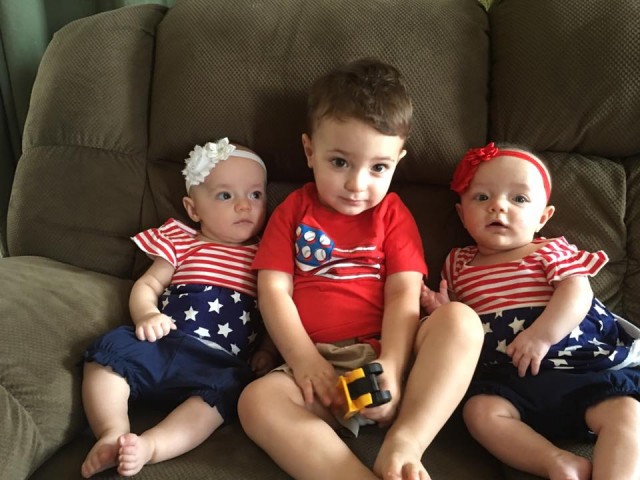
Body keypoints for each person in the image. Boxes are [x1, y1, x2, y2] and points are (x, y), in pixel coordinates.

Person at [237, 57, 484, 480]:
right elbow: (273, 292)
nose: (357, 184)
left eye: (378, 168)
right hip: (319, 367)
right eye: (340, 162)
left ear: (398, 161)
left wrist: (392, 365)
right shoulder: (292, 211)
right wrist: (303, 359)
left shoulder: (392, 214)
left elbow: (403, 294)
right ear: (310, 152)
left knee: (461, 320)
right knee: (256, 402)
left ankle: (405, 444)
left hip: (393, 361)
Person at [421, 142, 640, 480]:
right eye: (482, 197)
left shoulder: (549, 250)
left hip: (583, 371)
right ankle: (557, 462)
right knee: (479, 412)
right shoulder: (458, 262)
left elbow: (577, 292)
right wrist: (443, 311)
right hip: (511, 383)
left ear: (542, 218)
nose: (498, 206)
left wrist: (541, 336)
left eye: (519, 198)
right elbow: (461, 321)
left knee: (626, 411)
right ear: (462, 214)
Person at [80, 138, 277, 478]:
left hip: (217, 363)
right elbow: (148, 285)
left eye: (255, 195)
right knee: (107, 352)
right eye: (225, 195)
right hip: (162, 341)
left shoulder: (267, 256)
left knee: (227, 393)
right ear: (193, 209)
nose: (244, 206)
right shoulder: (181, 242)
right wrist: (147, 314)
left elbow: (277, 308)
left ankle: (151, 446)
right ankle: (112, 431)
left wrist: (268, 351)